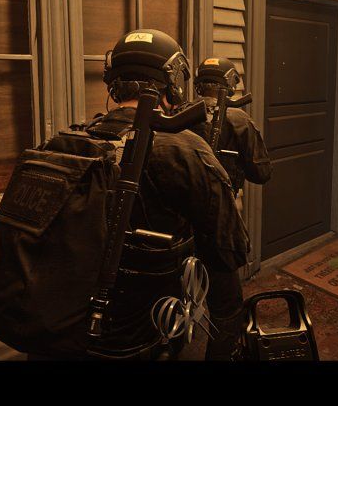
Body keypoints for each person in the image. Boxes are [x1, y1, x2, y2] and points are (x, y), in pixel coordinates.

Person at [83, 30, 250, 360]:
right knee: (229, 302)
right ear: (173, 83)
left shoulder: (82, 139)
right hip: (150, 321)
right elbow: (230, 249)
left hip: (81, 310)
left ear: (113, 82)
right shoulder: (184, 148)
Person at [191, 56, 272, 195]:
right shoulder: (239, 119)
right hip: (221, 200)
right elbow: (262, 173)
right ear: (230, 83)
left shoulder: (181, 113)